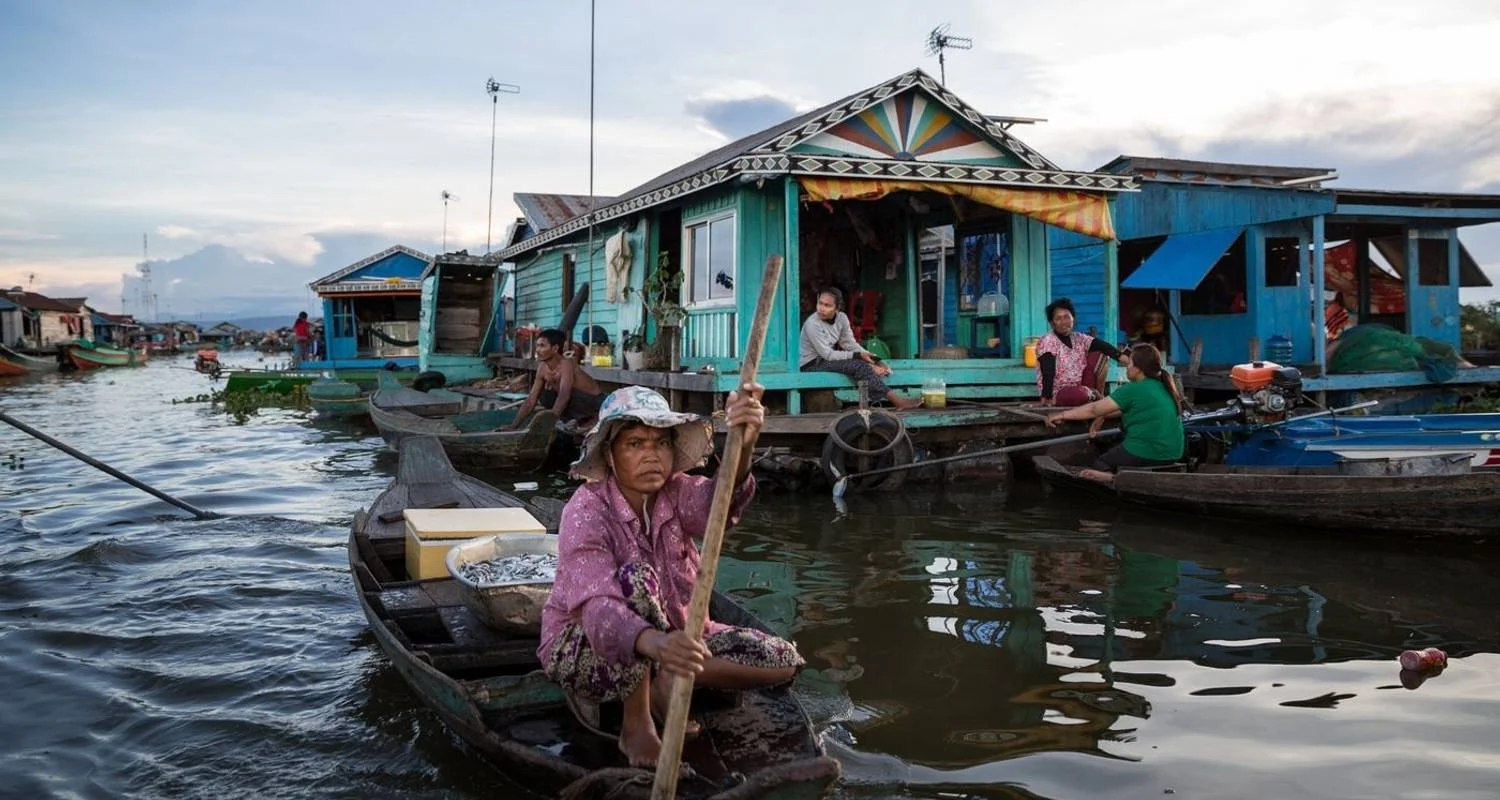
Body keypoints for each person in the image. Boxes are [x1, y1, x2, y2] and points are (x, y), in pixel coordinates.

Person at [538, 385, 804, 767]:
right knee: (636, 578)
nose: (651, 456)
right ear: (610, 456)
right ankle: (637, 724)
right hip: (585, 645)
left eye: (660, 444)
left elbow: (721, 505)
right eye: (635, 444)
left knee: (783, 661)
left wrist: (743, 445)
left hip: (678, 634)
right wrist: (656, 645)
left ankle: (669, 681)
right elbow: (598, 611)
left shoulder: (677, 491)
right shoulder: (585, 511)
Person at [1044, 343, 1185, 484]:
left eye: (1129, 364)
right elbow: (1123, 408)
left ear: (1138, 369)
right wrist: (1103, 415)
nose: (1127, 368)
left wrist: (1062, 415)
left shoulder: (1133, 389)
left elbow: (1093, 409)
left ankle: (1113, 479)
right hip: (1174, 453)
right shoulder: (1165, 386)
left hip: (1148, 452)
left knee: (1102, 463)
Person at [799, 288, 922, 410]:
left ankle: (879, 380)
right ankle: (898, 401)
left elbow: (849, 344)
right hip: (811, 364)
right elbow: (828, 354)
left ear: (837, 308)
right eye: (820, 303)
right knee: (858, 365)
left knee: (864, 363)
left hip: (825, 361)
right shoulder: (812, 324)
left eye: (827, 305)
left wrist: (873, 358)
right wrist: (858, 356)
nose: (821, 308)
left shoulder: (842, 318)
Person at [1034, 298, 1127, 407]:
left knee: (1101, 354)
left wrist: (1123, 358)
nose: (1064, 322)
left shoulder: (1079, 338)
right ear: (1052, 323)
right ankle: (1095, 396)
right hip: (1059, 392)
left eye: (1067, 317)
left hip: (1082, 386)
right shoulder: (1048, 341)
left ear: (1073, 318)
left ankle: (1095, 395)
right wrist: (1046, 398)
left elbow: (1102, 346)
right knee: (1082, 394)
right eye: (1058, 318)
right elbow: (1048, 371)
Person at [509, 328, 605, 429]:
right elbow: (531, 399)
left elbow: (564, 396)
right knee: (545, 395)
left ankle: (589, 420)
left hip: (594, 403)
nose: (537, 350)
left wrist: (549, 423)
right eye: (537, 345)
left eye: (542, 346)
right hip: (576, 402)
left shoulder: (566, 364)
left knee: (563, 396)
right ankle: (571, 421)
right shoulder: (542, 367)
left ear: (555, 348)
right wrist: (513, 426)